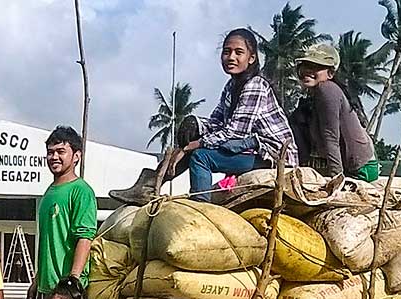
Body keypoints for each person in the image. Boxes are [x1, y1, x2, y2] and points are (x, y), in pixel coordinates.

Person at [111, 28, 297, 204]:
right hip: (248, 147)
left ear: (251, 58)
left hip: (271, 154)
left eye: (238, 52)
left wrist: (190, 147)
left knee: (201, 156)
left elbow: (235, 132)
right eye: (226, 52)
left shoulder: (255, 85)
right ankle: (152, 182)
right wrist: (194, 124)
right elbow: (217, 122)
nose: (231, 57)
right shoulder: (231, 87)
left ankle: (200, 207)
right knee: (195, 135)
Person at [28, 126, 99, 299]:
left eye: (61, 151)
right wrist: (37, 280)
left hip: (66, 292)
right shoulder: (49, 192)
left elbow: (84, 237)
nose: (54, 157)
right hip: (46, 289)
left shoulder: (81, 191)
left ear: (76, 156)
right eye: (50, 152)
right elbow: (50, 244)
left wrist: (73, 280)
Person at [289, 43, 379, 182]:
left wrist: (336, 179)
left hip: (360, 169)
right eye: (305, 66)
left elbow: (331, 136)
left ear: (330, 73)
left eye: (315, 67)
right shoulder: (311, 98)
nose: (307, 71)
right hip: (344, 165)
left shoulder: (327, 90)